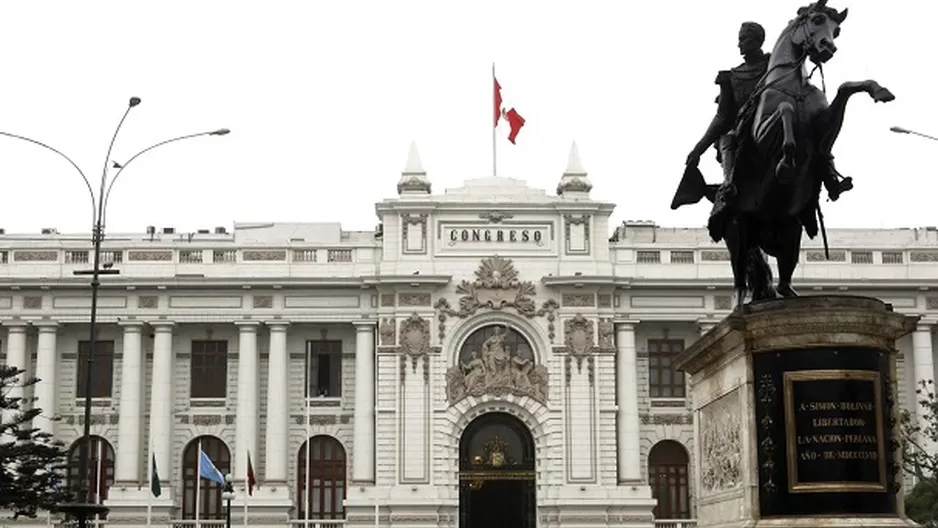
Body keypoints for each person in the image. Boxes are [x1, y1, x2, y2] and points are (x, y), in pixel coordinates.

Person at [684, 22, 772, 239]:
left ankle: (829, 176)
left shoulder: (774, 66)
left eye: (745, 39)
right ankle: (727, 187)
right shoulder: (731, 77)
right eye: (740, 39)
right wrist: (698, 150)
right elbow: (722, 117)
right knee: (729, 136)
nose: (739, 44)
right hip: (741, 133)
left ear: (759, 40)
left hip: (773, 128)